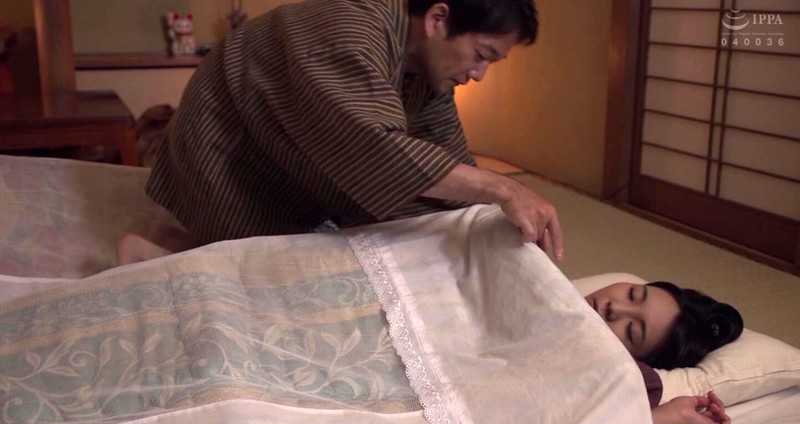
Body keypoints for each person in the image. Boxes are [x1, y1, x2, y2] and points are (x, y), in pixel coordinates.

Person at [120, 0, 565, 264]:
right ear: (438, 18)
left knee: (420, 231)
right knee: (296, 274)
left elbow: (447, 165)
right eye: (481, 54)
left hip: (285, 154)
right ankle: (170, 253)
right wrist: (503, 188)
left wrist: (497, 226)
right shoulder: (350, 25)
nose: (480, 74)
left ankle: (174, 246)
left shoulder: (428, 73)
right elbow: (375, 150)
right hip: (227, 147)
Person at [585, 281, 744, 424]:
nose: (614, 308)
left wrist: (673, 416)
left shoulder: (617, 377)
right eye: (633, 294)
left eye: (631, 331)